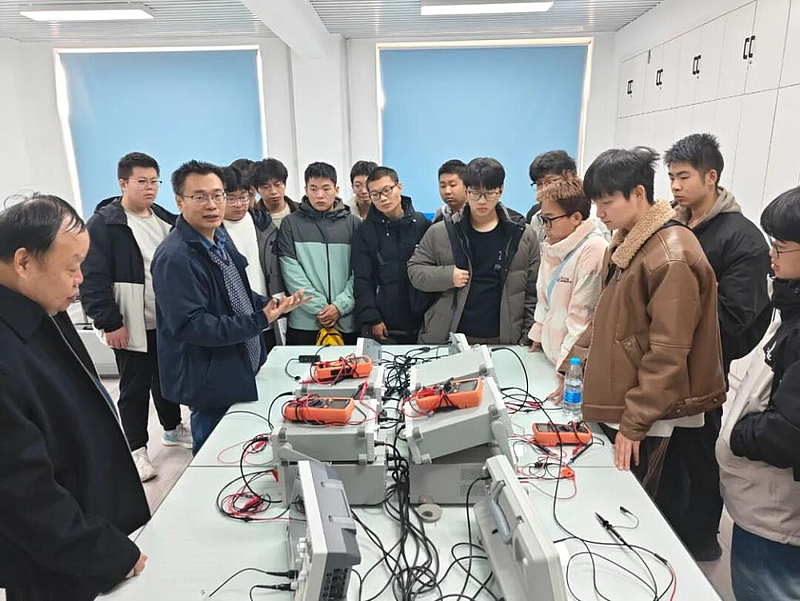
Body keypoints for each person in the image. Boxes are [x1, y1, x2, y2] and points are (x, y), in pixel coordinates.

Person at [0, 194, 150, 600]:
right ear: (24, 262)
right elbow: (21, 493)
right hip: (57, 559)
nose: (80, 278)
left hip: (87, 531)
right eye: (71, 267)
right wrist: (103, 551)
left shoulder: (40, 309)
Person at [577, 147, 726, 498]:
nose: (600, 213)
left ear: (638, 193)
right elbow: (607, 318)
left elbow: (668, 352)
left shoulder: (670, 255)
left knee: (639, 505)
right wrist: (573, 365)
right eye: (596, 203)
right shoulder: (629, 242)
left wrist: (635, 421)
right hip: (630, 400)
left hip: (653, 414)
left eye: (607, 202)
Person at [658, 133, 772, 560]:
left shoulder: (741, 238)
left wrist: (680, 328)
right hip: (662, 364)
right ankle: (664, 530)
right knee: (665, 457)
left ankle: (700, 540)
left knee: (698, 457)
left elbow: (738, 318)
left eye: (684, 177)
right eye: (671, 177)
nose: (675, 186)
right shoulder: (671, 226)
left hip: (703, 371)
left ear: (711, 176)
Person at [152, 161, 307, 453]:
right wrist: (258, 320)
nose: (212, 205)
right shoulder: (176, 257)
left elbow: (236, 292)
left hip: (239, 366)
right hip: (210, 379)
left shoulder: (219, 238)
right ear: (179, 201)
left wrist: (269, 304)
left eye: (217, 195)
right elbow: (192, 325)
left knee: (243, 450)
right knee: (216, 455)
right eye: (200, 197)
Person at [80, 152, 190, 483]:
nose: (150, 187)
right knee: (134, 387)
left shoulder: (164, 218)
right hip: (129, 322)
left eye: (154, 181)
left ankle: (171, 428)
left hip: (166, 320)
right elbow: (92, 278)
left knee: (166, 378)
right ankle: (136, 449)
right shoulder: (105, 224)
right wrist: (109, 322)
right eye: (141, 181)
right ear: (123, 183)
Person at [717, 186, 800, 601]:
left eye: (780, 247)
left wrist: (739, 435)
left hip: (779, 521)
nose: (771, 257)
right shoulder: (790, 310)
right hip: (762, 511)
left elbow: (788, 433)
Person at [408, 157, 540, 345]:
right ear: (466, 190)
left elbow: (533, 292)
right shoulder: (442, 231)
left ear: (501, 190)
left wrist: (528, 336)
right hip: (450, 337)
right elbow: (415, 270)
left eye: (490, 194)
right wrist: (447, 276)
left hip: (504, 339)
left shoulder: (522, 234)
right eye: (475, 194)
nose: (482, 201)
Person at [527, 176, 607, 401]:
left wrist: (568, 370)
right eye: (543, 219)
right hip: (549, 357)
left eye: (550, 219)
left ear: (576, 218)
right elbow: (544, 298)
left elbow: (581, 318)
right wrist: (538, 334)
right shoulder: (553, 245)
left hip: (570, 366)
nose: (545, 227)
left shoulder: (594, 249)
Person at [278, 162, 361, 345]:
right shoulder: (290, 224)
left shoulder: (354, 224)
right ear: (306, 190)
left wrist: (340, 306)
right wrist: (320, 308)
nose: (319, 195)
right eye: (313, 189)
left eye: (326, 188)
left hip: (346, 321)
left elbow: (361, 271)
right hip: (304, 322)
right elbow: (290, 271)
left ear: (336, 190)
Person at [351, 166, 431, 344]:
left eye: (387, 190)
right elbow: (363, 278)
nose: (383, 198)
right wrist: (372, 318)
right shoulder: (365, 231)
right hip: (384, 323)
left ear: (399, 187)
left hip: (421, 320)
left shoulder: (422, 225)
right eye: (375, 194)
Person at [222, 166, 285, 350]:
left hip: (268, 312)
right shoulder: (212, 231)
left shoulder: (263, 223)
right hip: (233, 320)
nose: (239, 204)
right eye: (231, 198)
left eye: (243, 197)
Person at [526, 150, 578, 224]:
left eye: (550, 182)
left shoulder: (588, 214)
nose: (544, 189)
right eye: (539, 184)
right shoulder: (534, 214)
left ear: (570, 179)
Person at [251, 157, 299, 229]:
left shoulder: (302, 211)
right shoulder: (253, 218)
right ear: (257, 190)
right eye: (266, 187)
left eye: (277, 185)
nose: (273, 191)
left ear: (284, 184)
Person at [433, 159, 468, 223]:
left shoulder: (476, 214)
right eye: (443, 186)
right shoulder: (440, 215)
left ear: (466, 185)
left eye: (452, 185)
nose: (447, 191)